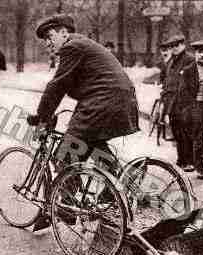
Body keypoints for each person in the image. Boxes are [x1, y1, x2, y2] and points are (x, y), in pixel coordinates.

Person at [27, 14, 139, 229]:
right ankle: (118, 191)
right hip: (116, 101)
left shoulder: (73, 47)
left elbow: (57, 86)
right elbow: (84, 83)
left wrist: (41, 118)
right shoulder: (84, 45)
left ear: (63, 33)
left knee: (65, 152)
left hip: (104, 102)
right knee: (92, 146)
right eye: (45, 40)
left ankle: (66, 207)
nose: (48, 43)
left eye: (50, 36)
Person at [177, 40, 203, 180]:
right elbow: (183, 93)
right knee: (198, 139)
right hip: (196, 108)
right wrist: (189, 110)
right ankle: (201, 169)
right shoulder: (188, 71)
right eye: (200, 52)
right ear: (195, 54)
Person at [162, 34, 194, 171]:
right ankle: (181, 159)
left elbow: (192, 82)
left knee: (186, 131)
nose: (174, 48)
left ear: (183, 45)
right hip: (171, 102)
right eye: (171, 46)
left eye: (176, 45)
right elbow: (167, 80)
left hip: (184, 101)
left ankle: (189, 161)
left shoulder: (189, 59)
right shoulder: (171, 61)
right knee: (176, 131)